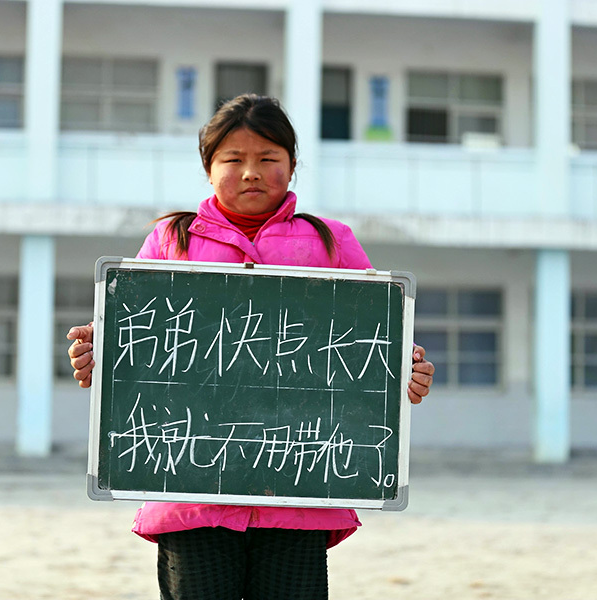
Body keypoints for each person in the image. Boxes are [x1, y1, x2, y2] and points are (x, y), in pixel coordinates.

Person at [66, 93, 434, 600]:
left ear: (292, 165)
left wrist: (405, 370)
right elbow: (134, 334)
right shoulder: (172, 241)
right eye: (233, 160)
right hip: (188, 488)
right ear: (208, 167)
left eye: (267, 160)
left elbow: (375, 336)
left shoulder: (331, 243)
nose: (251, 173)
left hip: (300, 491)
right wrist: (97, 352)